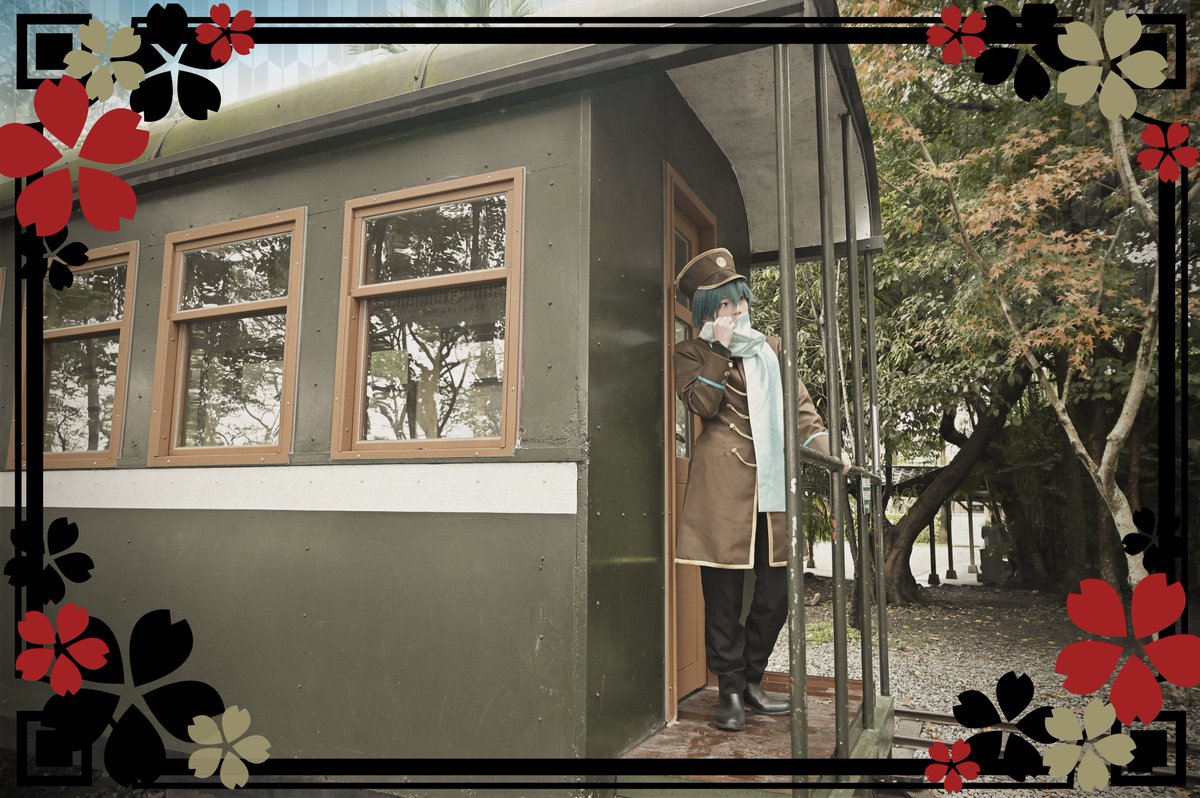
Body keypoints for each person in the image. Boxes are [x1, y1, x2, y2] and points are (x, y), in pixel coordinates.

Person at [673, 247, 851, 732]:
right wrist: (720, 351)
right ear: (706, 312)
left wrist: (831, 451)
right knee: (724, 599)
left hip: (771, 492)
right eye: (724, 305)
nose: (736, 312)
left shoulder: (771, 351)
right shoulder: (691, 353)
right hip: (719, 493)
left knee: (776, 595)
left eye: (740, 301)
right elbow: (703, 406)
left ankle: (752, 679)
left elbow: (803, 413)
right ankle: (730, 690)